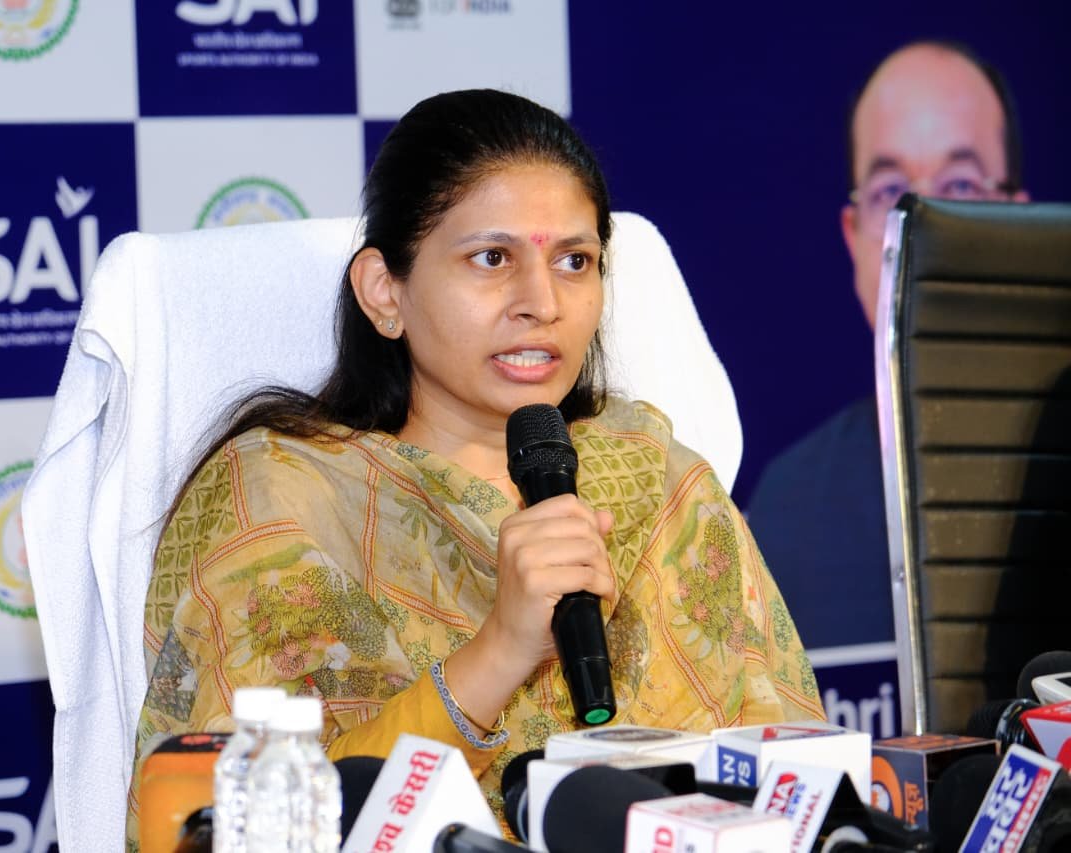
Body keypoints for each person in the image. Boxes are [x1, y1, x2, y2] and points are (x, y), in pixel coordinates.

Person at [128, 88, 822, 842]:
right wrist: (502, 648)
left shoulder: (658, 482)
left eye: (575, 261)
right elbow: (274, 821)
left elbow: (793, 773)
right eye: (492, 258)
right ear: (384, 292)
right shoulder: (280, 500)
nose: (541, 302)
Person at [746, 42, 1028, 651]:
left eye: (962, 184)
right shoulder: (786, 507)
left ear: (1018, 221)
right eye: (889, 191)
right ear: (853, 239)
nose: (919, 224)